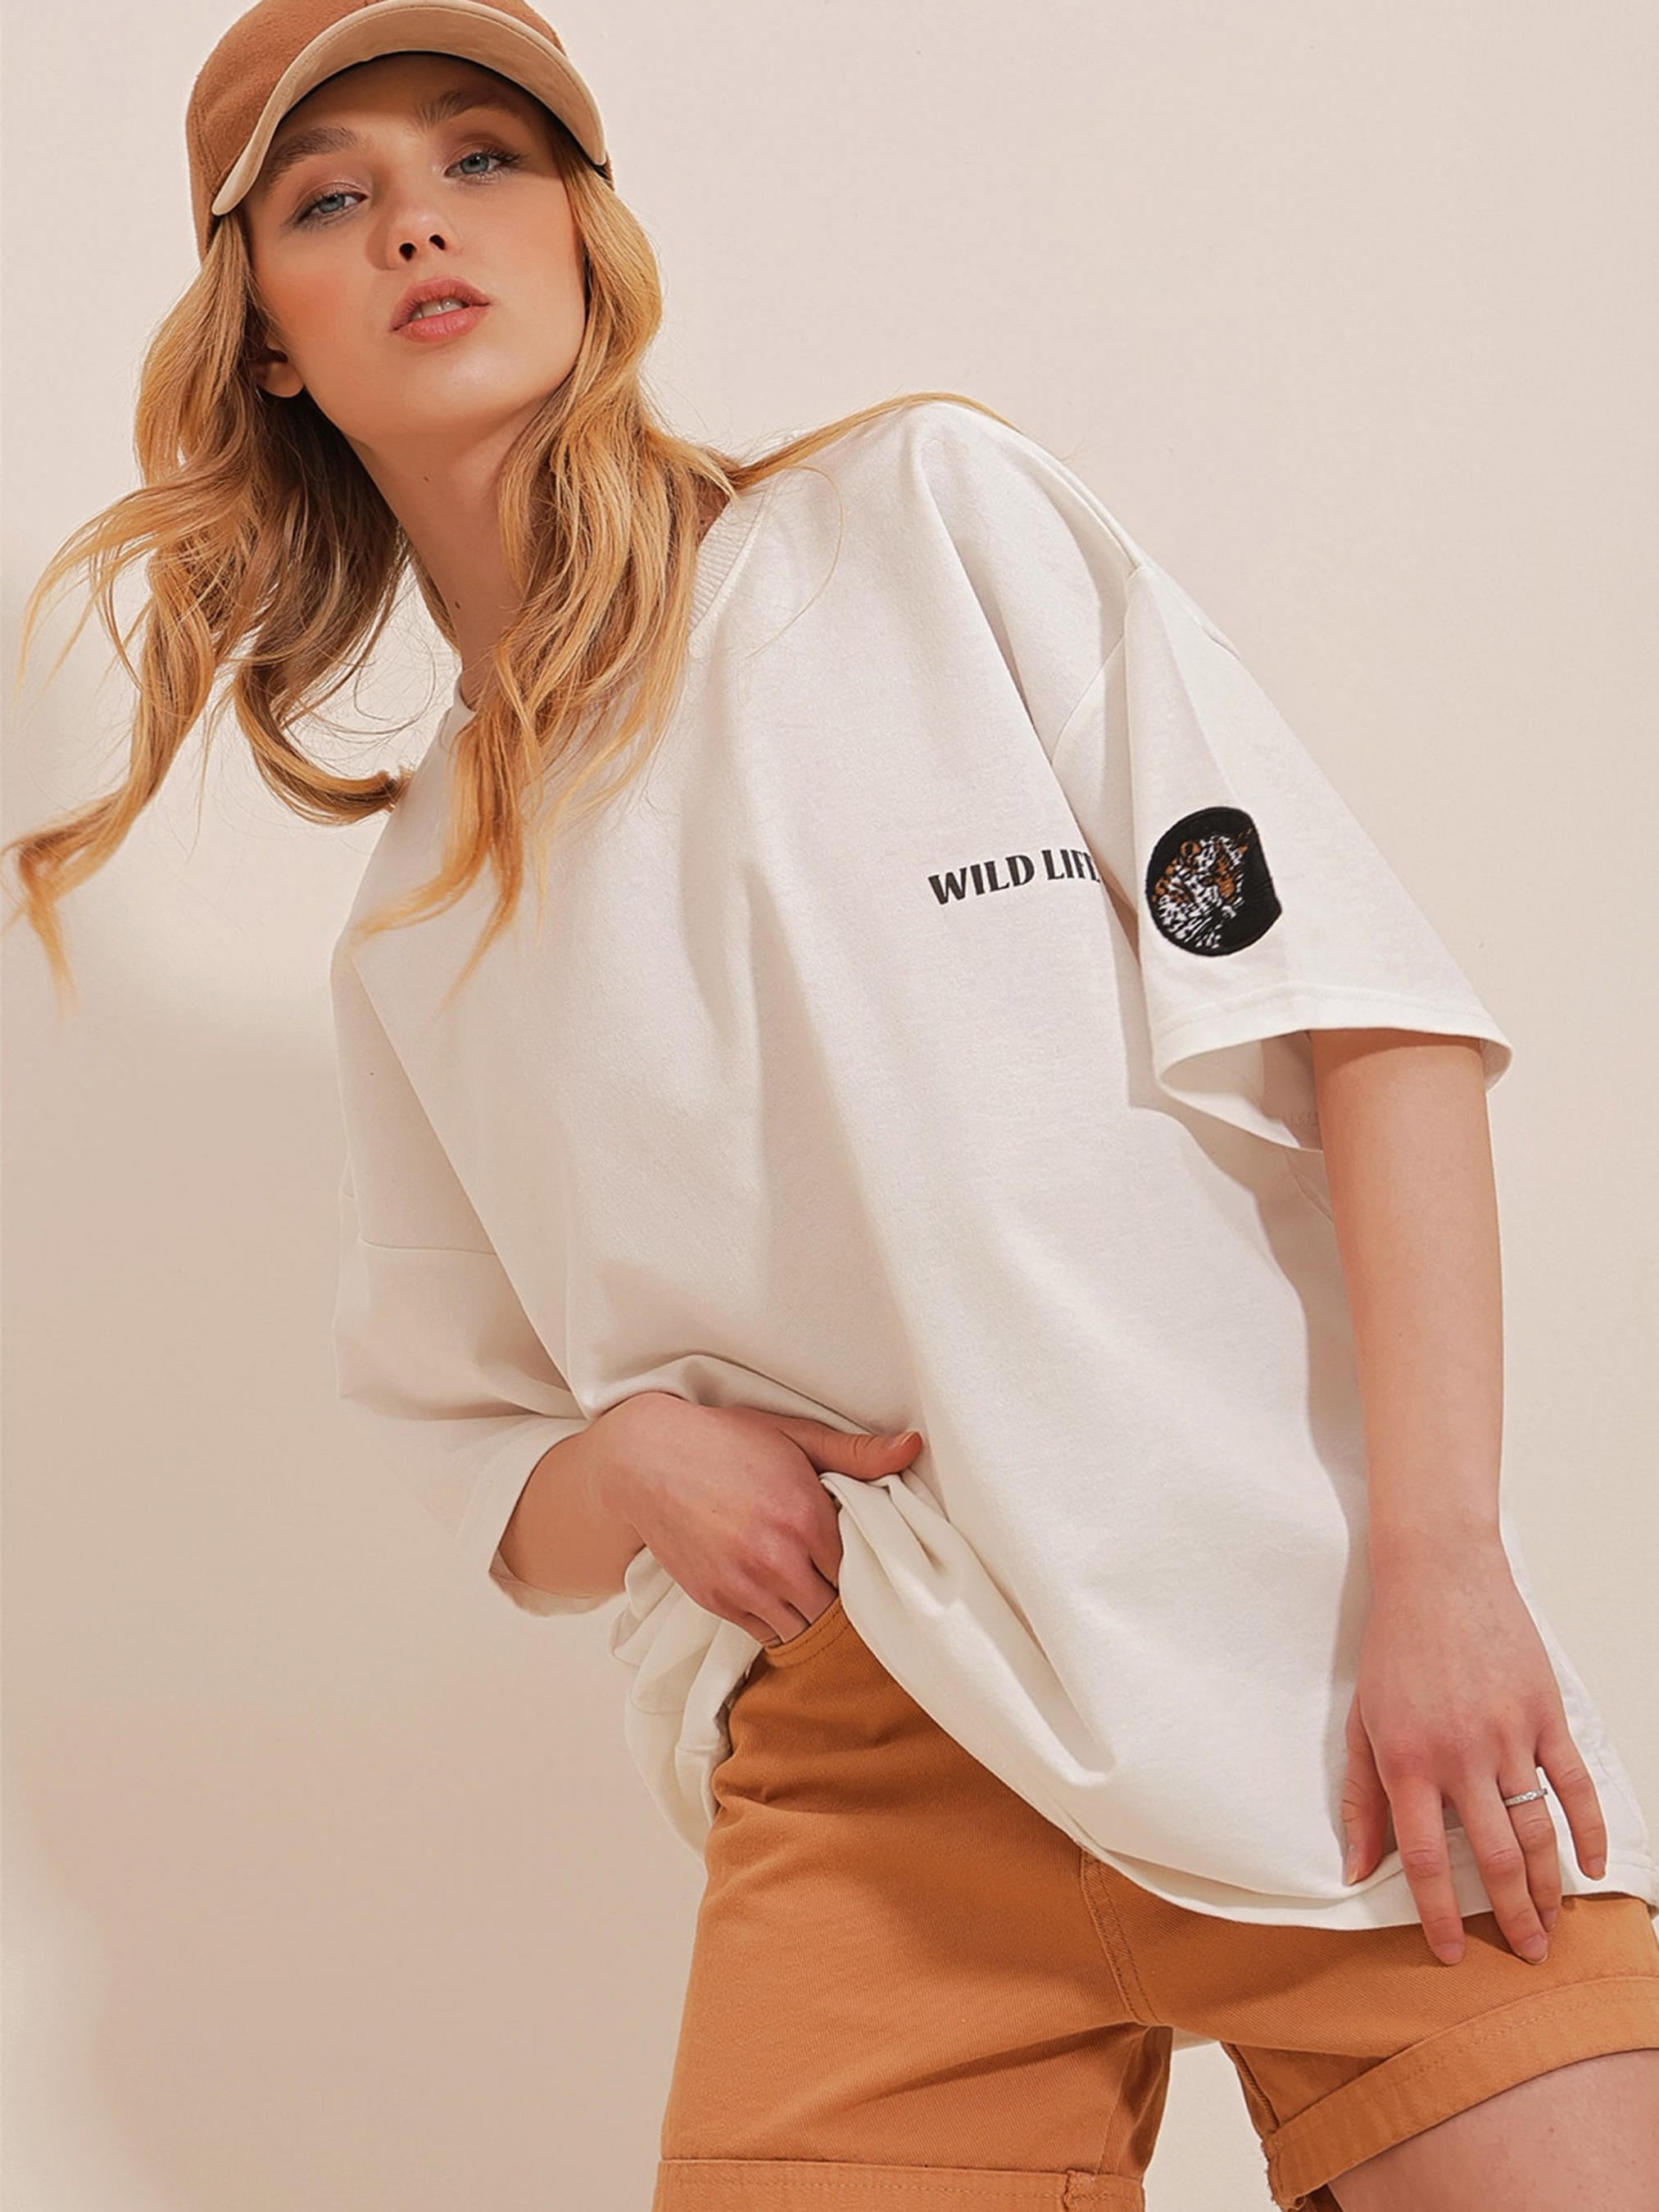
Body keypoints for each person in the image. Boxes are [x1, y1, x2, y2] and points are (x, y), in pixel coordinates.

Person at [7, 2, 1657, 2205]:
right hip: (871, 1772)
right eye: (331, 199)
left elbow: (1373, 1027)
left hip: (1321, 1660)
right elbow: (480, 1461)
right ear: (269, 339)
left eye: (484, 158)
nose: (418, 221)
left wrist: (1444, 1573)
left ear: (585, 233)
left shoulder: (920, 528)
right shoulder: (417, 917)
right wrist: (627, 1462)